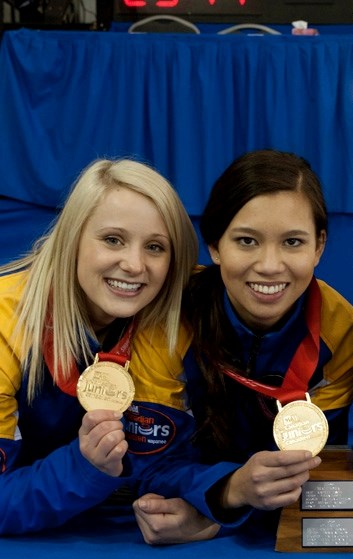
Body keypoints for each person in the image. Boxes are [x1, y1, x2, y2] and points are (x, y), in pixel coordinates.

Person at [0, 159, 248, 535]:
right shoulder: (6, 327)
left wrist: (213, 504)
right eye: (113, 239)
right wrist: (84, 468)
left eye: (155, 247)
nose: (134, 265)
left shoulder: (168, 316)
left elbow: (159, 464)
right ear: (72, 238)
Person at [133, 149, 353, 543]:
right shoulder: (166, 320)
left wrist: (214, 517)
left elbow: (316, 470)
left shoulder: (343, 334)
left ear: (319, 246)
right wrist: (228, 490)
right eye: (247, 241)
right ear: (215, 245)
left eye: (292, 242)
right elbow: (150, 466)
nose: (270, 265)